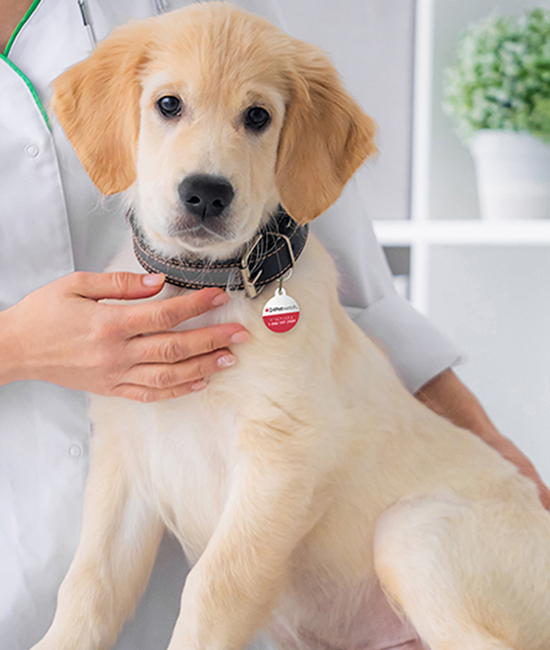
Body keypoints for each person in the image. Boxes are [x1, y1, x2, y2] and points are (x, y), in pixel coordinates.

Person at [1, 1, 549, 649]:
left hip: (399, 569)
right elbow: (128, 479)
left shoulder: (209, 21)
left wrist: (492, 449)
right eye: (170, 106)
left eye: (254, 117)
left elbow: (361, 286)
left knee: (417, 540)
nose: (210, 168)